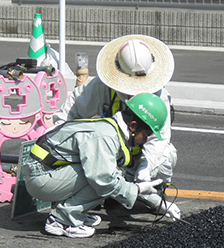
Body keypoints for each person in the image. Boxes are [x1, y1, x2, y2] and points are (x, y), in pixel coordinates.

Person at [54, 35, 181, 220]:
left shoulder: (159, 97)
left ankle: (152, 189)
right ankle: (110, 192)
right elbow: (71, 110)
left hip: (137, 155)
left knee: (167, 155)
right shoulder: (102, 88)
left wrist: (145, 168)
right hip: (110, 156)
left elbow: (159, 139)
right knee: (98, 172)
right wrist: (57, 142)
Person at [24, 93, 168, 238]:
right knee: (105, 178)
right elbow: (104, 180)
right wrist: (136, 189)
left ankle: (76, 213)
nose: (144, 140)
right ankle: (62, 220)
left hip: (50, 174)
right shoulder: (105, 136)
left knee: (111, 173)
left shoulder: (111, 130)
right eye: (145, 135)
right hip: (41, 180)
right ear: (133, 126)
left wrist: (159, 203)